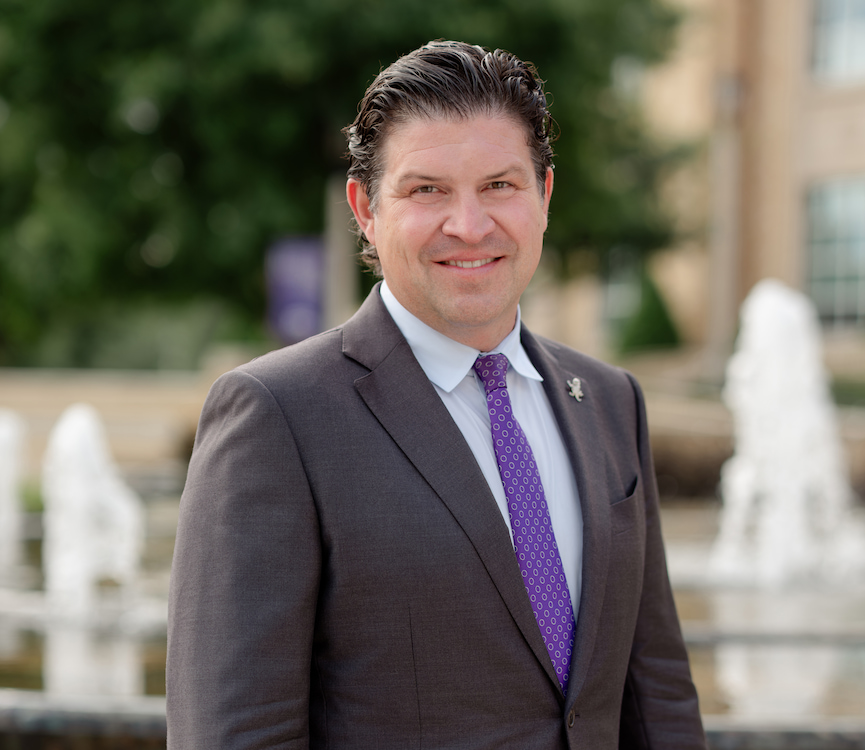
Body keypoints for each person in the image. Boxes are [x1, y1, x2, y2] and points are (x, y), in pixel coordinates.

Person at [166, 40, 706, 749]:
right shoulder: (277, 416)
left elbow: (656, 695)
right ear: (366, 208)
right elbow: (234, 732)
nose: (469, 225)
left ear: (544, 197)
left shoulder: (608, 401)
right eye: (427, 190)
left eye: (500, 186)